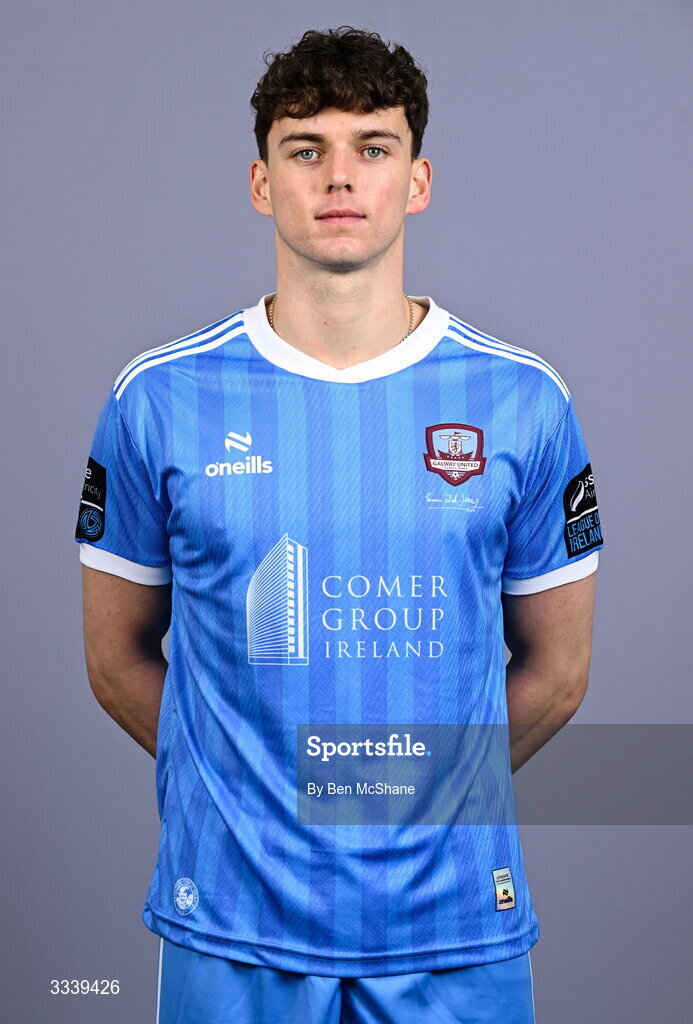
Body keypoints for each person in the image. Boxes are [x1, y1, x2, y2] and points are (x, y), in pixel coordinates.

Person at [75, 25, 603, 1024]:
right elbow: (115, 659)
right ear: (261, 183)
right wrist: (248, 793)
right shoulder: (159, 398)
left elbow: (558, 673)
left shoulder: (524, 401)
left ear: (420, 180)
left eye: (373, 147)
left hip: (452, 930)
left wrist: (404, 798)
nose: (340, 178)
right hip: (232, 927)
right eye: (305, 149)